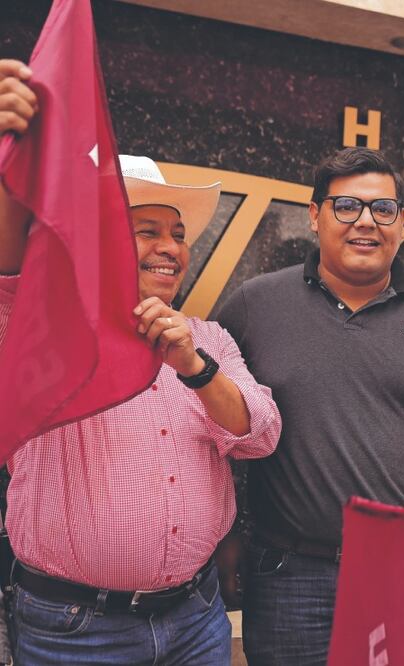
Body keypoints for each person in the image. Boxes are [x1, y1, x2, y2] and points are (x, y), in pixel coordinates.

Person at [0, 60, 282, 665]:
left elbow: (259, 433)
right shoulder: (40, 328)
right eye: (146, 230)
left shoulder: (209, 336)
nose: (171, 248)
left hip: (196, 617)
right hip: (74, 628)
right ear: (96, 239)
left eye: (178, 234)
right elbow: (5, 266)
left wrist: (194, 365)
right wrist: (10, 159)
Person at [214, 147, 404, 664]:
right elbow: (214, 430)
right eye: (346, 206)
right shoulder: (255, 304)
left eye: (383, 209)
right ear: (315, 215)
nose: (366, 222)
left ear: (402, 222)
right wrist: (228, 533)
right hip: (288, 575)